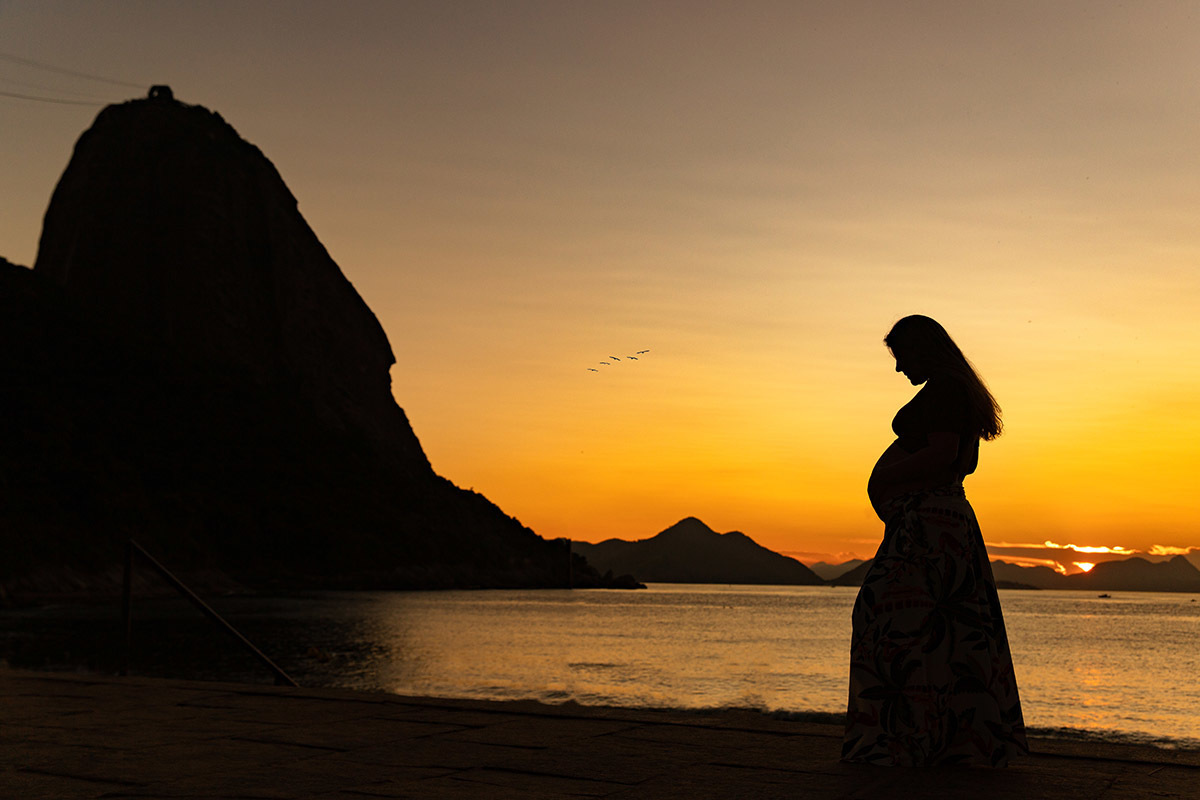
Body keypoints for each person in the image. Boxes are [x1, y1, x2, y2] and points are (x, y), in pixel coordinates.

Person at [842, 315, 1028, 767]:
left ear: (921, 348)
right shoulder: (955, 390)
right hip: (940, 522)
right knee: (945, 632)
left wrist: (883, 476)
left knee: (884, 619)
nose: (899, 368)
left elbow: (945, 456)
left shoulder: (945, 388)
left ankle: (900, 739)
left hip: (928, 527)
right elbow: (966, 464)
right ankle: (944, 738)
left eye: (900, 356)